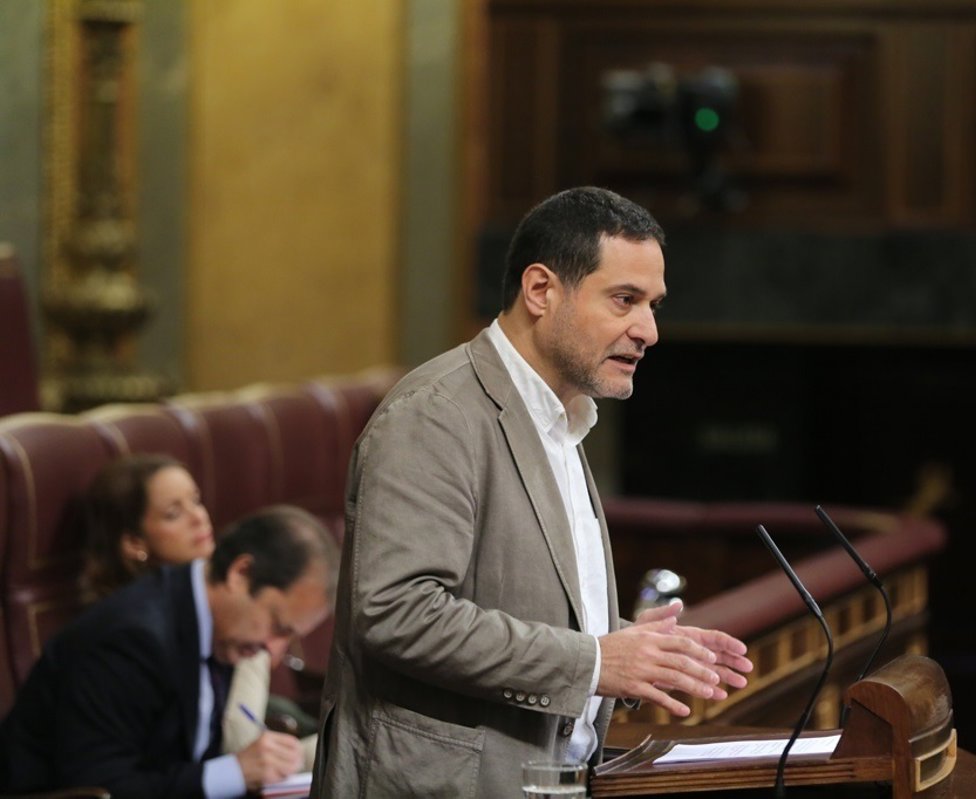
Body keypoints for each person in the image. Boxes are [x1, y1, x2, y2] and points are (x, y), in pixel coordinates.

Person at [312, 186, 754, 797]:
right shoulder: (436, 415)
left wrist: (629, 644)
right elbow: (397, 612)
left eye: (653, 305)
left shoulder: (562, 418)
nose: (649, 331)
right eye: (624, 300)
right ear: (541, 290)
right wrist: (596, 661)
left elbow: (509, 596)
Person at [0, 505, 338, 798]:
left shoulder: (222, 628)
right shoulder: (132, 639)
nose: (273, 648)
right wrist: (233, 772)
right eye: (278, 626)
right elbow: (101, 787)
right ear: (240, 573)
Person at [78, 454, 320, 768]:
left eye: (196, 500)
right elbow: (236, 744)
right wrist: (258, 645)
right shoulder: (133, 634)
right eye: (174, 513)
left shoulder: (224, 599)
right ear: (135, 543)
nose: (198, 517)